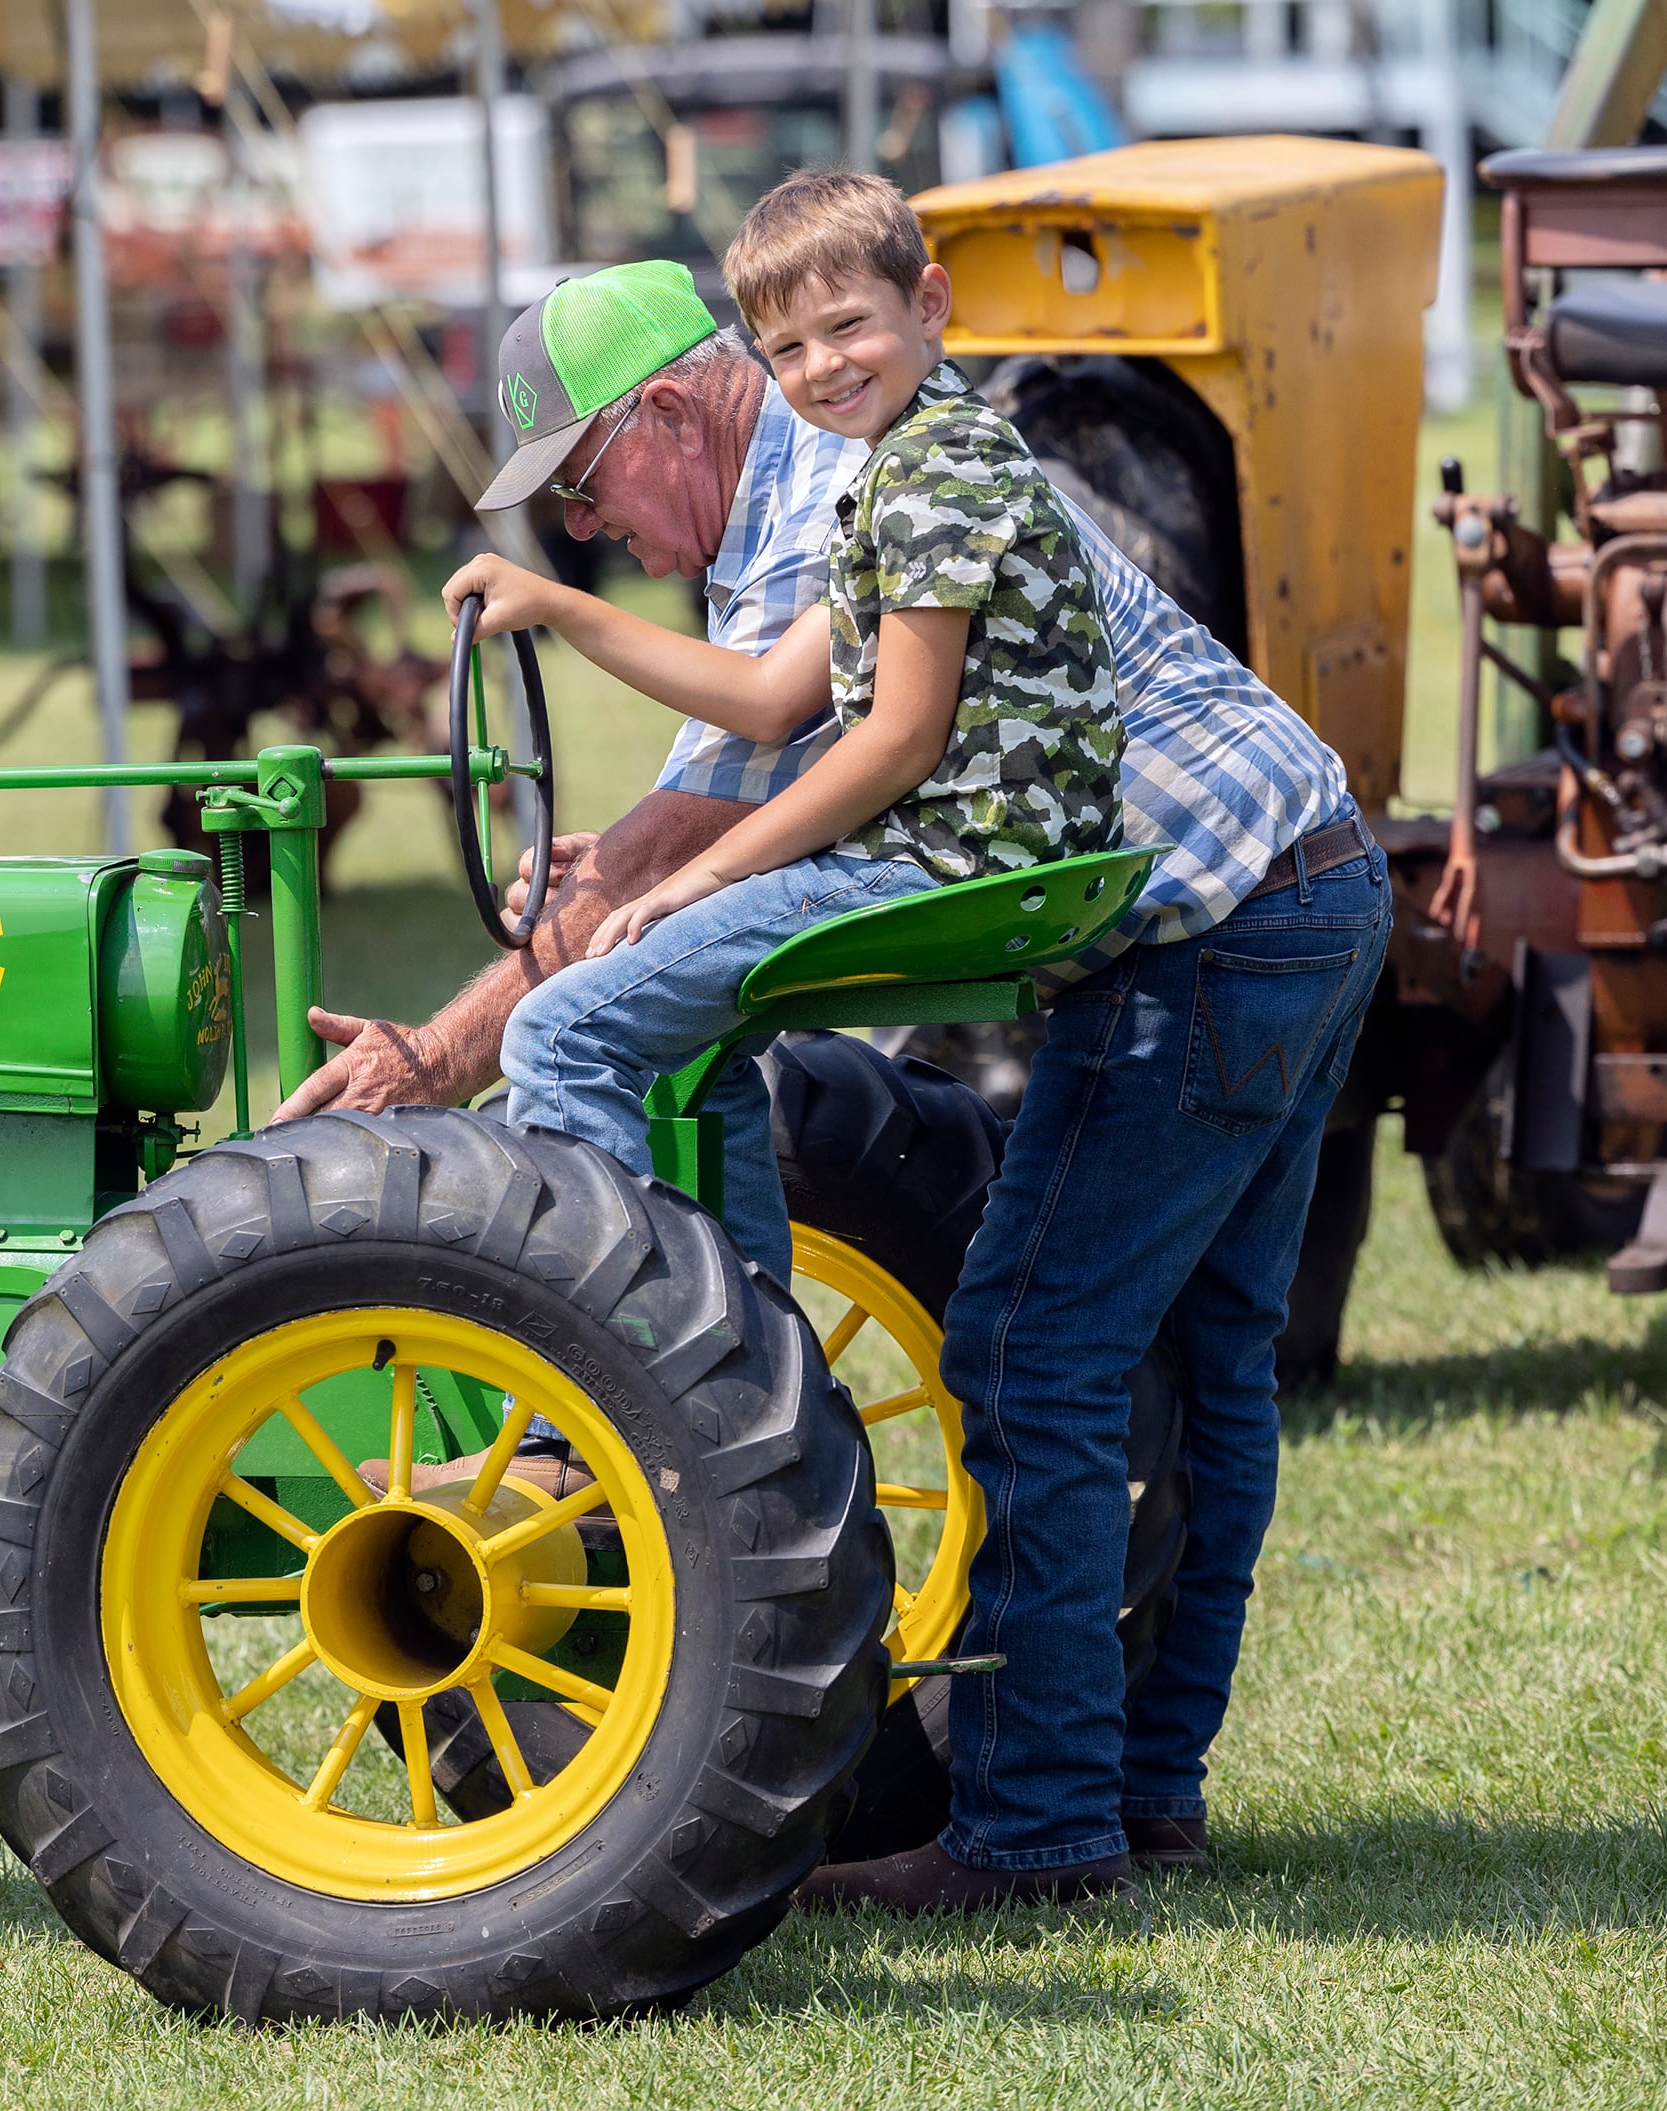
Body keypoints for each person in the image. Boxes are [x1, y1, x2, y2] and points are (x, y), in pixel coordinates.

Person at [292, 182, 1389, 1912]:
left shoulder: (841, 479)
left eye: (584, 496)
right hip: (1305, 879)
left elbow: (781, 774)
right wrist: (442, 1044)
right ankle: (1143, 1794)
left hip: (1210, 926)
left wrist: (577, 929)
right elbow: (655, 848)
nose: (602, 539)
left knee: (1031, 1351)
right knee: (1214, 1357)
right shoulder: (779, 519)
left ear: (662, 414)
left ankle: (1015, 1811)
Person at [447, 189, 1121, 1285]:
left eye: (578, 483)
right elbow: (768, 701)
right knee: (697, 1050)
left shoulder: (901, 473)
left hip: (958, 854)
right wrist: (631, 859)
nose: (578, 524)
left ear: (665, 413)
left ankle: (604, 1391)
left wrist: (686, 874)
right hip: (972, 840)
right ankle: (744, 1376)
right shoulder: (890, 460)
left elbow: (891, 742)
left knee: (560, 1035)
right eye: (788, 348)